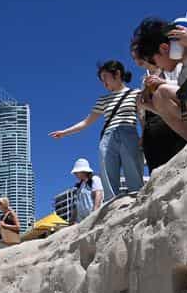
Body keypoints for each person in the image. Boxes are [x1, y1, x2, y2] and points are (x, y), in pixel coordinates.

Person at [50, 61, 145, 198]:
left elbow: (141, 115)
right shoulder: (103, 100)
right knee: (108, 173)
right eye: (101, 80)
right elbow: (86, 122)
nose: (104, 83)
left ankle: (137, 198)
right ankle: (112, 204)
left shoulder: (135, 93)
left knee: (133, 171)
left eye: (105, 78)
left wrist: (144, 134)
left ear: (117, 74)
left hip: (128, 131)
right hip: (107, 137)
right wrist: (64, 132)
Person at [69, 158, 104, 222]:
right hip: (82, 221)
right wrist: (72, 219)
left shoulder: (95, 179)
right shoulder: (79, 186)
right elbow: (76, 205)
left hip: (93, 218)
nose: (75, 174)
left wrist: (94, 213)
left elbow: (98, 195)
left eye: (76, 172)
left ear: (83, 171)